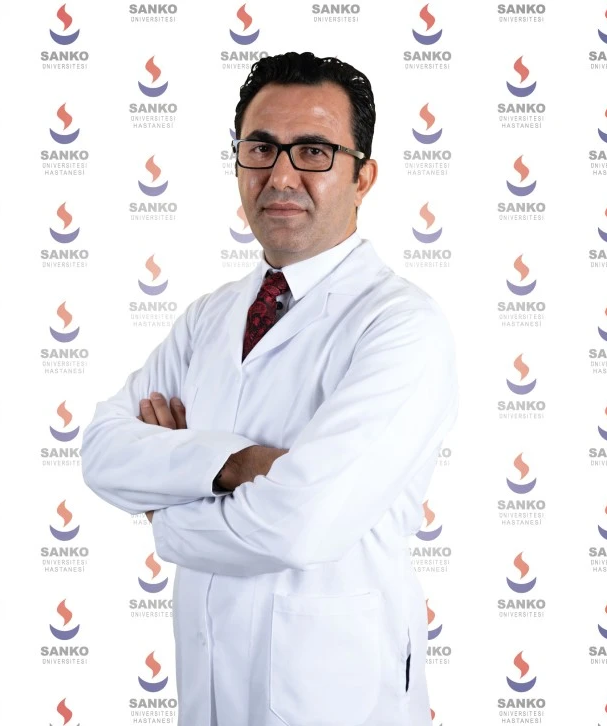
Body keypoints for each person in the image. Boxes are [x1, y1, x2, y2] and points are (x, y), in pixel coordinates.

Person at [82, 51, 458, 726]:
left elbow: (299, 526)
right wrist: (234, 464)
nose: (281, 175)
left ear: (363, 177)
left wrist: (163, 506)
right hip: (207, 695)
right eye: (260, 148)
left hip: (336, 701)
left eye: (314, 151)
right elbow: (102, 451)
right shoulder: (210, 316)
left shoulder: (402, 326)